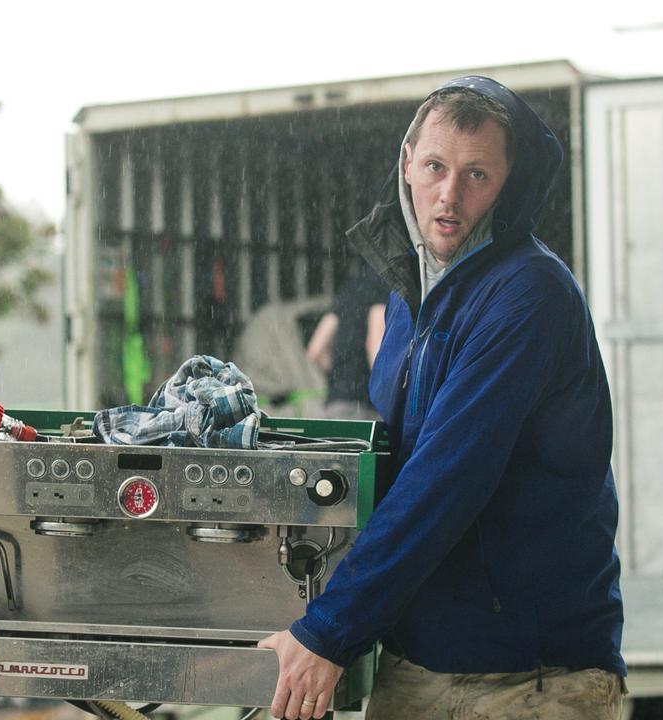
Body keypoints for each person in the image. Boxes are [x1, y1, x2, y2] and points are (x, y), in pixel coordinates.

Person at [259, 76, 625, 719]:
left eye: (477, 175)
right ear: (407, 164)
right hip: (422, 664)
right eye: (435, 167)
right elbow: (391, 460)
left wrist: (330, 628)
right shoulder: (412, 295)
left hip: (529, 679)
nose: (449, 195)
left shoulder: (528, 294)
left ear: (509, 181)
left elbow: (446, 477)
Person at [304, 265, 389, 420]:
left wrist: (342, 377)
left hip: (336, 404)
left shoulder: (349, 290)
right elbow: (375, 348)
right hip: (366, 407)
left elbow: (315, 350)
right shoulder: (384, 287)